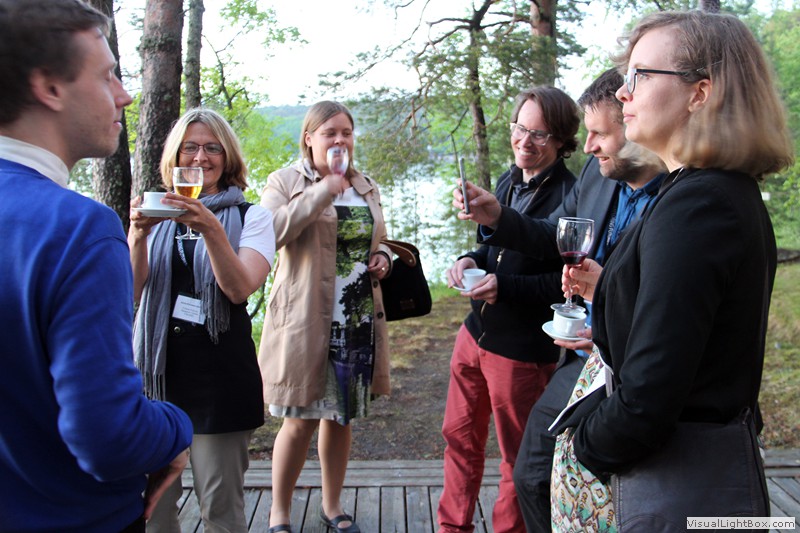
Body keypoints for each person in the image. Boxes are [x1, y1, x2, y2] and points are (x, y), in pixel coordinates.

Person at [548, 10, 794, 531]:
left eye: (639, 75)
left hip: (671, 494)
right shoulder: (705, 192)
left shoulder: (699, 205)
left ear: (700, 93)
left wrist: (585, 447)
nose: (622, 92)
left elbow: (649, 398)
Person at [0, 1, 193, 532]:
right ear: (49, 87)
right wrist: (177, 429)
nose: (124, 95)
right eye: (107, 75)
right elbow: (110, 438)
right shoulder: (77, 229)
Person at [456, 68, 666, 532]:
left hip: (626, 367)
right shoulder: (597, 174)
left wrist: (603, 302)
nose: (588, 147)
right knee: (530, 474)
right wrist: (497, 217)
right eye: (520, 129)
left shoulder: (678, 196)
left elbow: (662, 300)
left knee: (595, 484)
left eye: (600, 134)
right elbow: (557, 235)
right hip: (578, 357)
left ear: (635, 126)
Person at [437, 86, 580, 533]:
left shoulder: (571, 196)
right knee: (458, 439)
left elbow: (564, 281)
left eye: (539, 134)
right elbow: (493, 249)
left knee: (517, 462)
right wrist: (469, 260)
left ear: (562, 140)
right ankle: (452, 527)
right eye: (520, 128)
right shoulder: (508, 179)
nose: (524, 141)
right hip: (474, 334)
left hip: (521, 351)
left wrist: (506, 288)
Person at [128, 107, 275, 533]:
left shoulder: (252, 217)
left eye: (212, 148)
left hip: (221, 380)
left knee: (220, 510)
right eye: (189, 148)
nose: (200, 157)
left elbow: (239, 288)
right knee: (152, 509)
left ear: (227, 157)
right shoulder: (156, 213)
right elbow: (129, 294)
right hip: (156, 380)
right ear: (174, 157)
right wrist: (138, 234)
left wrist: (210, 228)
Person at [259, 100, 392, 533]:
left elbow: (380, 238)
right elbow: (271, 231)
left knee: (341, 419)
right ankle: (279, 512)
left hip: (355, 322)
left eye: (346, 132)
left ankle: (332, 506)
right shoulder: (284, 181)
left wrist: (383, 257)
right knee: (298, 422)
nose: (339, 140)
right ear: (309, 138)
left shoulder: (366, 186)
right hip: (304, 322)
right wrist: (322, 191)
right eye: (329, 132)